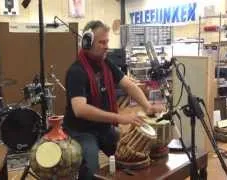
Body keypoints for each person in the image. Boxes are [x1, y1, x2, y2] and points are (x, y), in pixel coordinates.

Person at [62, 20, 164, 180]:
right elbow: (80, 109)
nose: (106, 46)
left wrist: (147, 106)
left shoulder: (106, 63)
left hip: (103, 128)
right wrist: (119, 118)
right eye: (101, 42)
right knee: (91, 170)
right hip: (81, 131)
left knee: (132, 154)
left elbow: (129, 86)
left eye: (107, 41)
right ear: (87, 43)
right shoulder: (77, 71)